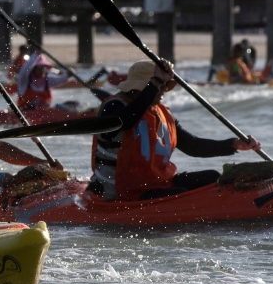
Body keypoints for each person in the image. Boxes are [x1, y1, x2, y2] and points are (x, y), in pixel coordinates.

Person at [90, 60, 261, 201]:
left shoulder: (160, 112)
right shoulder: (113, 107)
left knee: (212, 176)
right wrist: (155, 83)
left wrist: (233, 144)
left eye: (165, 84)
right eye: (160, 84)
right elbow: (126, 122)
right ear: (138, 88)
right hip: (123, 192)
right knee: (180, 196)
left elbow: (192, 146)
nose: (164, 89)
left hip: (157, 183)